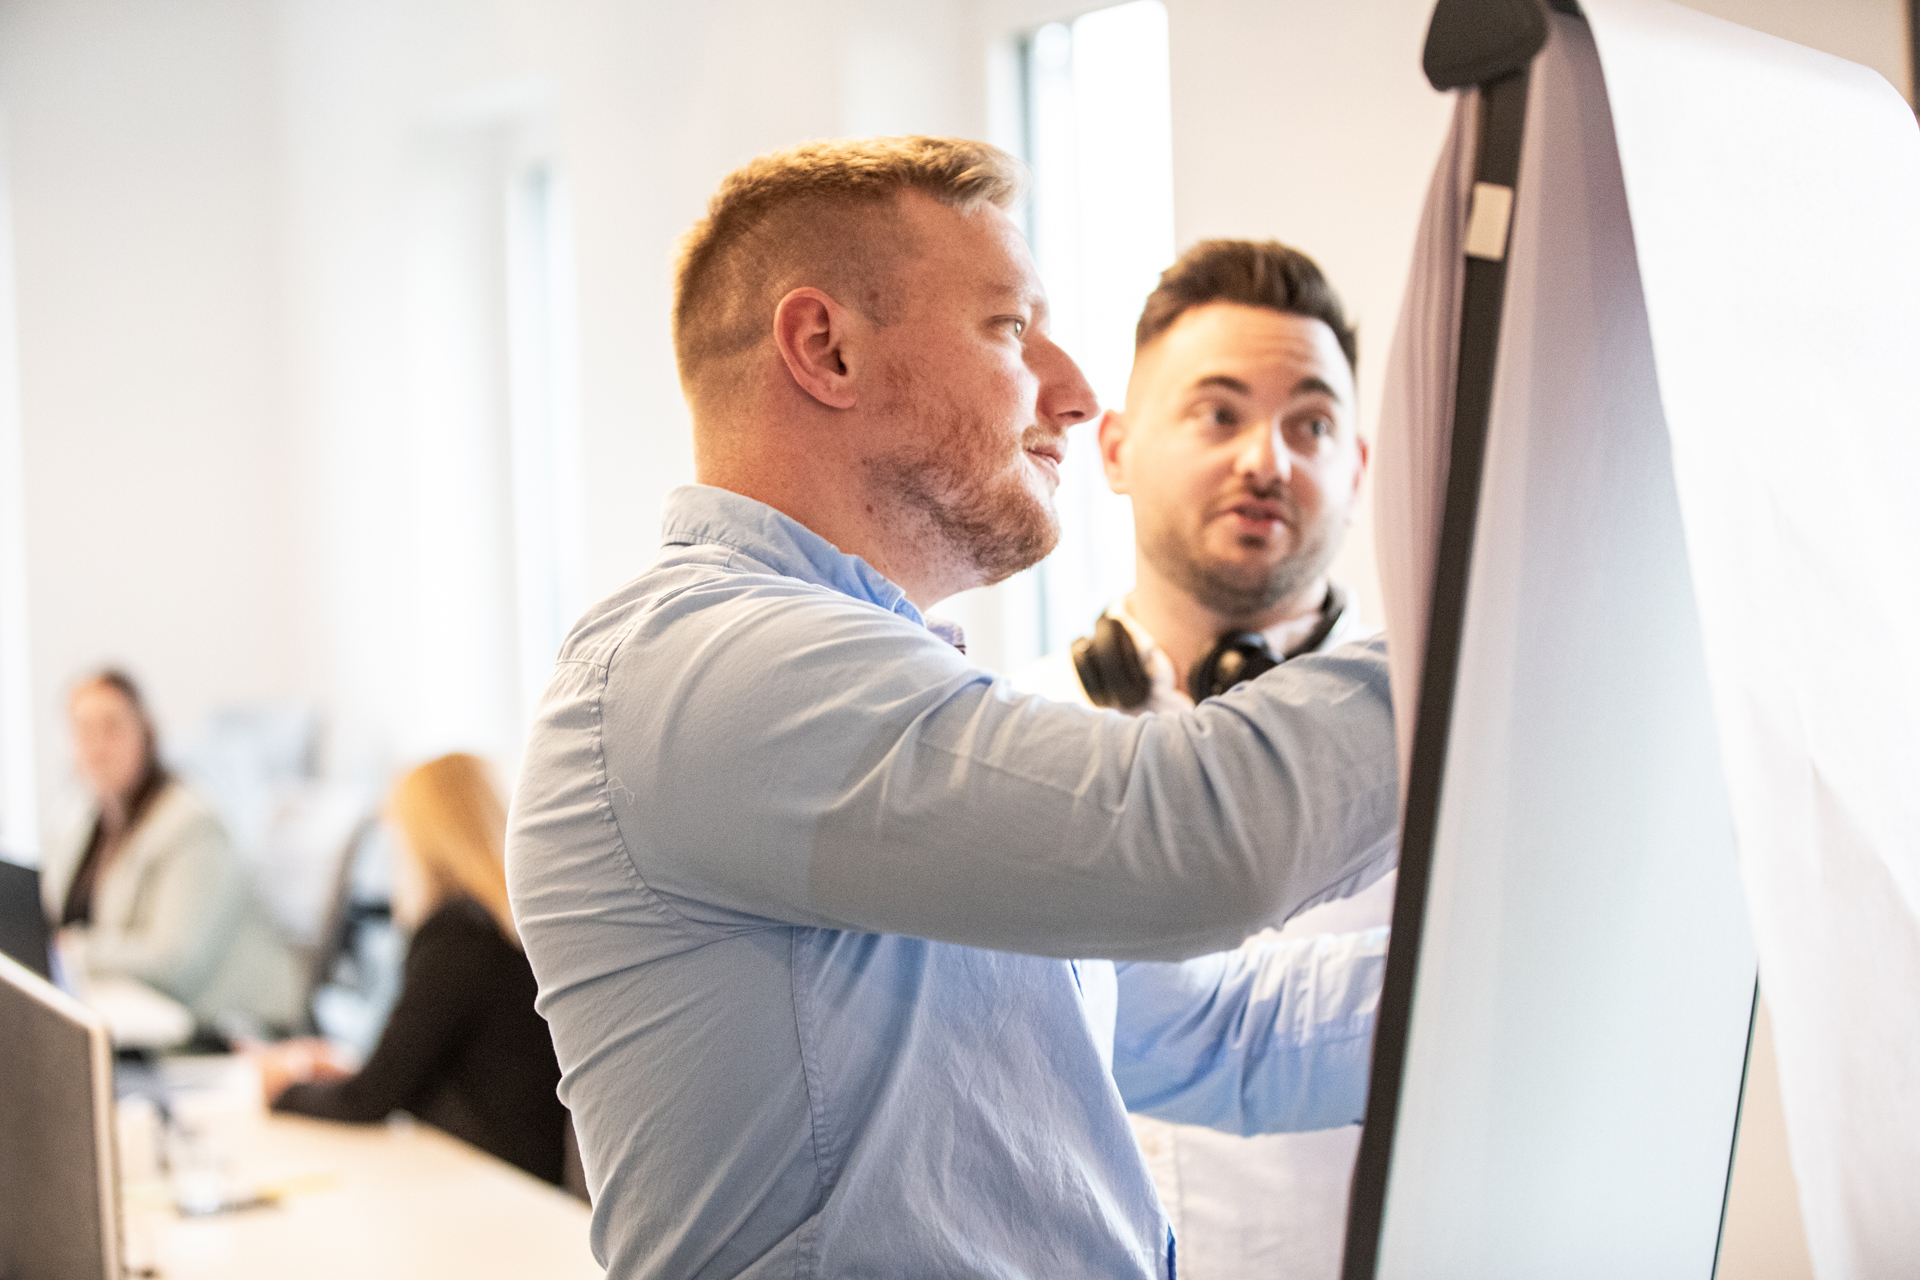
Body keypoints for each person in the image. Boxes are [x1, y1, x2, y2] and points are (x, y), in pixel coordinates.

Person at [507, 136, 1399, 1278]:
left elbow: (1226, 1034)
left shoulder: (872, 689)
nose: (1077, 396)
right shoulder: (704, 666)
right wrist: (1489, 620)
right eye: (1014, 328)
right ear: (824, 347)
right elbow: (1190, 841)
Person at [1014, 238, 1395, 1280]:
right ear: (1118, 449)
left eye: (1312, 423)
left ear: (1355, 468)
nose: (1268, 459)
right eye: (1220, 413)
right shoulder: (998, 742)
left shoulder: (1441, 763)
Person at [256, 753, 567, 1187]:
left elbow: (370, 1100)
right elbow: (422, 1069)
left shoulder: (459, 935)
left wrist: (284, 1089)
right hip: (515, 1175)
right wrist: (350, 1071)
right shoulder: (505, 928)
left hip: (487, 1183)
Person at [41, 669, 300, 1030]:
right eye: (84, 731)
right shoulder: (80, 822)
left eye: (112, 728)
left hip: (226, 1025)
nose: (97, 746)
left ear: (146, 734)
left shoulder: (191, 824)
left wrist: (70, 951)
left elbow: (172, 962)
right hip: (137, 1012)